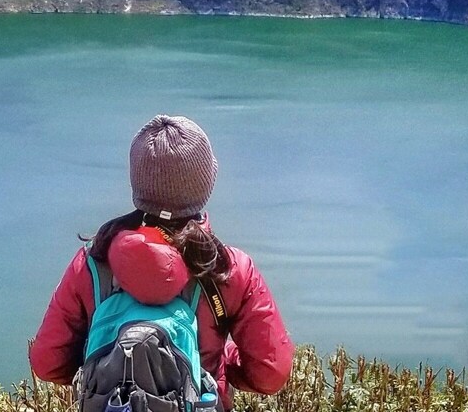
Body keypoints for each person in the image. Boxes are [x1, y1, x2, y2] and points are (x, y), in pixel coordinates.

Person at [29, 115, 293, 411]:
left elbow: (47, 362)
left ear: (137, 181)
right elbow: (270, 374)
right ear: (205, 184)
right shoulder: (228, 268)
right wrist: (217, 365)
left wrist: (110, 366)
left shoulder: (93, 262)